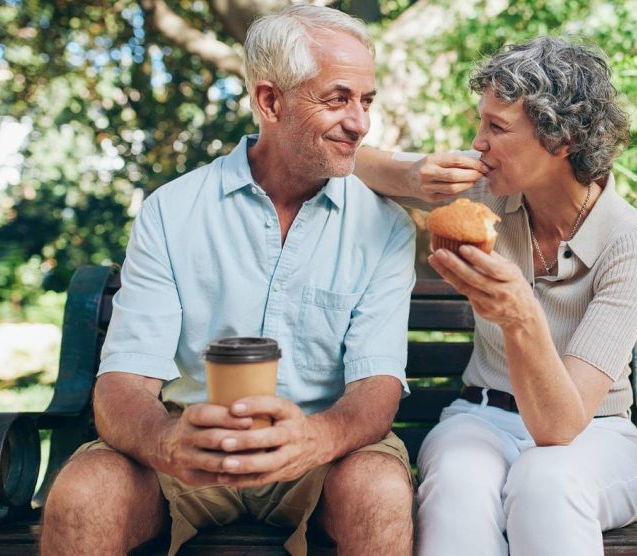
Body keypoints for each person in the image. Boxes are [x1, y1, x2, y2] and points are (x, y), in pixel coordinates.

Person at [40, 5, 415, 555]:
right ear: (270, 101)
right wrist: (168, 441)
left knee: (378, 489)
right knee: (84, 493)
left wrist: (315, 438)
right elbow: (124, 380)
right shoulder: (172, 210)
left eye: (365, 101)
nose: (359, 122)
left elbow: (375, 387)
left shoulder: (385, 227)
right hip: (190, 441)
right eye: (337, 99)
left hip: (324, 446)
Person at [355, 36, 637, 555]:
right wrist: (412, 173)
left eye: (497, 128)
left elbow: (561, 426)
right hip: (480, 418)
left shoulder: (632, 243)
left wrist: (521, 317)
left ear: (560, 138)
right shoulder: (483, 189)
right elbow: (354, 161)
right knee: (458, 484)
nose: (478, 142)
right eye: (482, 122)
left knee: (546, 478)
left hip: (596, 436)